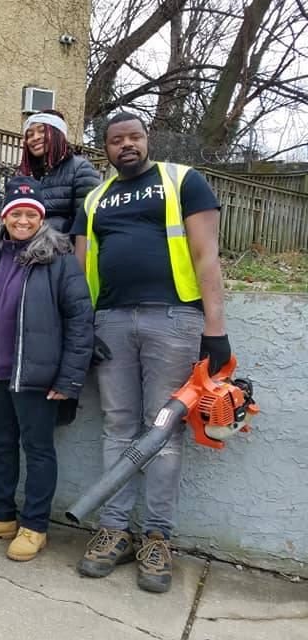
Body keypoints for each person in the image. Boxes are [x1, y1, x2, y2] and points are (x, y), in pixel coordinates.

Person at [71, 111, 229, 593]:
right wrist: (85, 328)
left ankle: (157, 536)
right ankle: (115, 530)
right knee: (118, 426)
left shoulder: (183, 181)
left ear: (147, 139)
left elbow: (207, 254)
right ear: (106, 148)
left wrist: (215, 328)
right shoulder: (94, 198)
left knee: (162, 431)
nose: (127, 146)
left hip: (174, 319)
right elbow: (80, 272)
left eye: (134, 137)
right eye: (116, 140)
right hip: (111, 322)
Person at [0, 177, 93, 561]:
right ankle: (1, 515)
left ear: (41, 218)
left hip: (36, 377)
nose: (22, 220)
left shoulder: (59, 258)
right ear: (5, 216)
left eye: (30, 213)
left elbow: (80, 320)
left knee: (38, 449)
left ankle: (35, 526)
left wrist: (69, 378)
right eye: (16, 212)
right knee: (1, 445)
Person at [19, 110, 100, 234]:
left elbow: (85, 224)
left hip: (60, 248)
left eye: (42, 131)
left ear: (58, 134)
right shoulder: (23, 175)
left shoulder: (81, 169)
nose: (35, 138)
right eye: (29, 135)